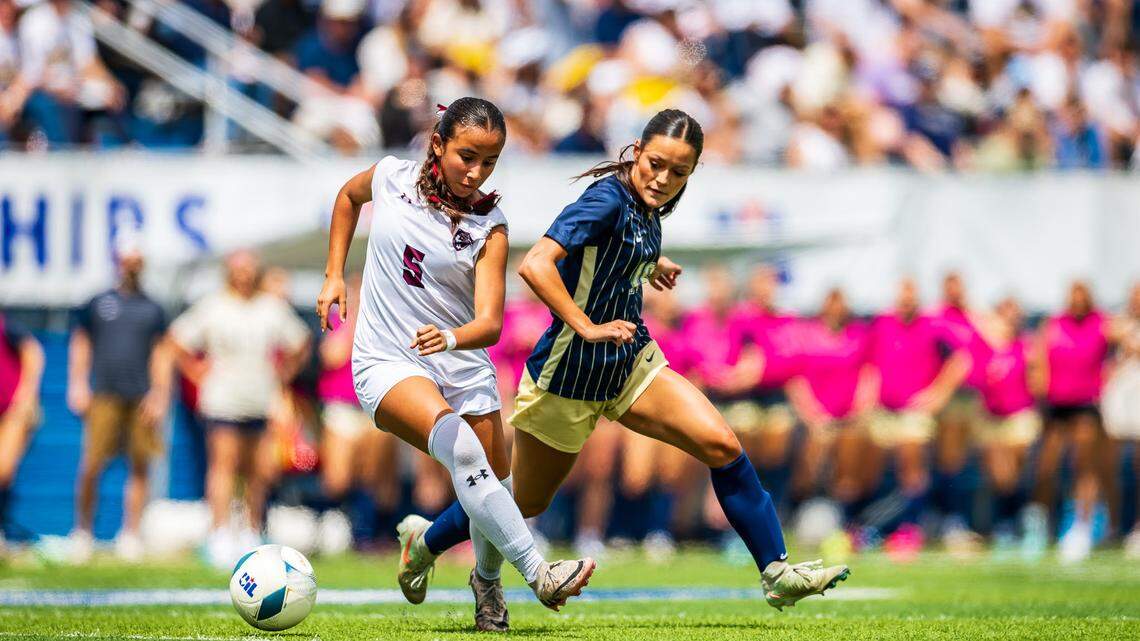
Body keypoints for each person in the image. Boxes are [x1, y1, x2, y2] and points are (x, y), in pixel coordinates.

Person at [403, 109, 849, 620]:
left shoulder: (647, 207)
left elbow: (610, 250)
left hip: (631, 365)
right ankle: (425, 543)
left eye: (678, 172)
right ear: (637, 152)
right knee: (519, 503)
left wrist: (648, 264)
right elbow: (536, 265)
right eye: (656, 164)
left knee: (722, 444)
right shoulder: (606, 198)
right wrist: (587, 326)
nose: (663, 178)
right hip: (567, 379)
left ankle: (776, 573)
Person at [315, 97, 594, 632]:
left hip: (462, 364)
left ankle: (471, 578)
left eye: (489, 162)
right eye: (467, 155)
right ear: (437, 144)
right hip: (386, 361)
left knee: (493, 487)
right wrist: (333, 273)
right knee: (467, 454)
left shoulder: (491, 225)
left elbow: (490, 323)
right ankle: (539, 573)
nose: (476, 171)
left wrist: (449, 336)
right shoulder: (392, 177)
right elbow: (348, 198)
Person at [170, 249, 311, 569]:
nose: (244, 275)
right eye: (239, 269)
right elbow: (177, 340)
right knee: (223, 465)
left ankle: (250, 530)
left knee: (258, 470)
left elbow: (300, 342)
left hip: (260, 398)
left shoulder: (269, 307)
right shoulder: (214, 305)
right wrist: (197, 372)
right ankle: (219, 533)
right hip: (223, 399)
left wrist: (284, 374)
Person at [67, 244, 172, 563]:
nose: (132, 267)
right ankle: (83, 531)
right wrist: (77, 383)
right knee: (92, 464)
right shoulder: (98, 303)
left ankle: (130, 534)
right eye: (128, 261)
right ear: (118, 263)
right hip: (104, 393)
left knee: (140, 465)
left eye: (138, 261)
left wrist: (159, 393)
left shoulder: (153, 308)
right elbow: (81, 343)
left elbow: (161, 353)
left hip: (140, 395)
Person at [864, 278, 970, 542]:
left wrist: (938, 393)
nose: (907, 300)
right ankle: (865, 524)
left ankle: (910, 525)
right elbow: (869, 365)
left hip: (914, 414)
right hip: (883, 412)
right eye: (903, 294)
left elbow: (962, 359)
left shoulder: (932, 325)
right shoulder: (882, 324)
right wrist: (865, 400)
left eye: (911, 294)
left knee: (911, 450)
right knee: (858, 449)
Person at [1031, 281, 1110, 564]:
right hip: (1056, 404)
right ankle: (1039, 526)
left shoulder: (1102, 323)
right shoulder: (1054, 324)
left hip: (1086, 404)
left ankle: (1081, 526)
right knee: (1046, 466)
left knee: (1084, 464)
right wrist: (1039, 387)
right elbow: (1039, 356)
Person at [971, 298, 1041, 548]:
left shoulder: (1026, 346)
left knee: (1018, 474)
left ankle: (1019, 521)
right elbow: (975, 380)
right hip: (992, 420)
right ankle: (1007, 522)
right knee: (1002, 477)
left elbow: (1038, 382)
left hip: (1019, 416)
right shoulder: (982, 348)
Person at [0, 310, 44, 556]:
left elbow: (33, 351)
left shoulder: (6, 324)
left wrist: (26, 394)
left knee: (3, 470)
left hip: (11, 411)